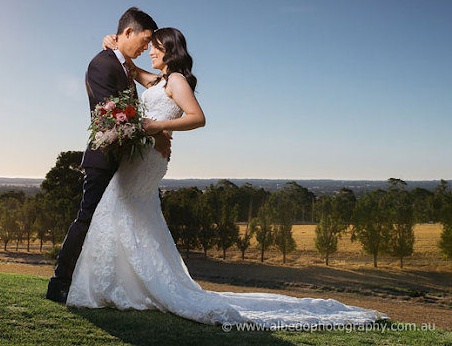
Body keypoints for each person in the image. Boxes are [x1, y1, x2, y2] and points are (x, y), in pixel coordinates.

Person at [65, 27, 389, 328]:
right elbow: (132, 69)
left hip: (149, 157)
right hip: (147, 154)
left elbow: (198, 118)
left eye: (156, 47)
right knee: (127, 212)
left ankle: (128, 284)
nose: (150, 51)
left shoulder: (176, 80)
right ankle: (128, 281)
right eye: (148, 46)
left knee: (118, 206)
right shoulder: (161, 80)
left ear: (169, 51)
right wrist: (111, 43)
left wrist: (158, 127)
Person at [46, 7, 170, 304]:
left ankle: (106, 284)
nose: (146, 47)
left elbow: (150, 87)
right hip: (105, 157)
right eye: (145, 40)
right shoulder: (102, 64)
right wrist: (153, 131)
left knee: (115, 225)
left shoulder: (123, 65)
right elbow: (112, 116)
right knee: (88, 219)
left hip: (126, 159)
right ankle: (60, 283)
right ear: (128, 32)